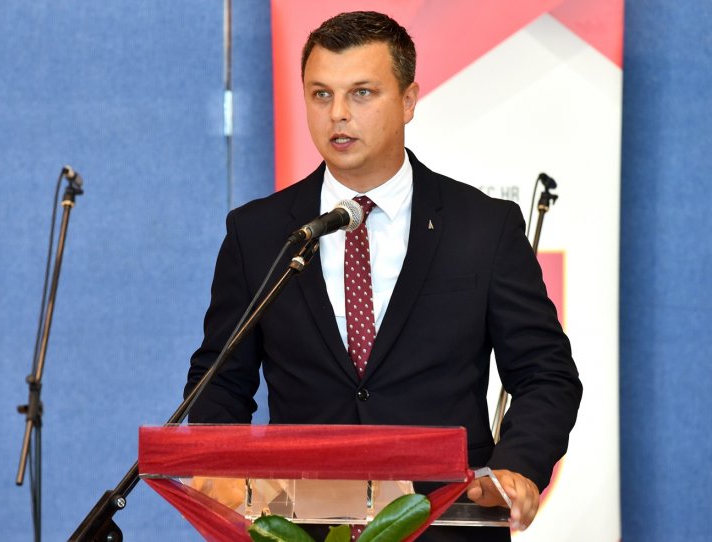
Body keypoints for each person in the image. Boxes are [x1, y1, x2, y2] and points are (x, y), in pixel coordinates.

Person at [185, 11, 582, 541]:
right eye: (321, 95)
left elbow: (545, 373)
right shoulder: (259, 233)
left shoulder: (484, 228)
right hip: (302, 530)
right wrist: (216, 464)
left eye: (362, 93)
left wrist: (518, 466)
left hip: (447, 522)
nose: (338, 114)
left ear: (409, 100)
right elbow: (219, 381)